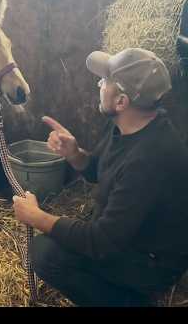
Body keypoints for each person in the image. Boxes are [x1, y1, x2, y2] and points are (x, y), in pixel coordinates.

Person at [12, 48, 188, 306]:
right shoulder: (126, 125)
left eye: (105, 80)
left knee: (45, 254)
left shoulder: (150, 158)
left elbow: (100, 241)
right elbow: (100, 169)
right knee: (54, 243)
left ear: (121, 101)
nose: (99, 83)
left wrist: (36, 217)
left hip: (152, 263)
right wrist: (75, 154)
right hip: (130, 237)